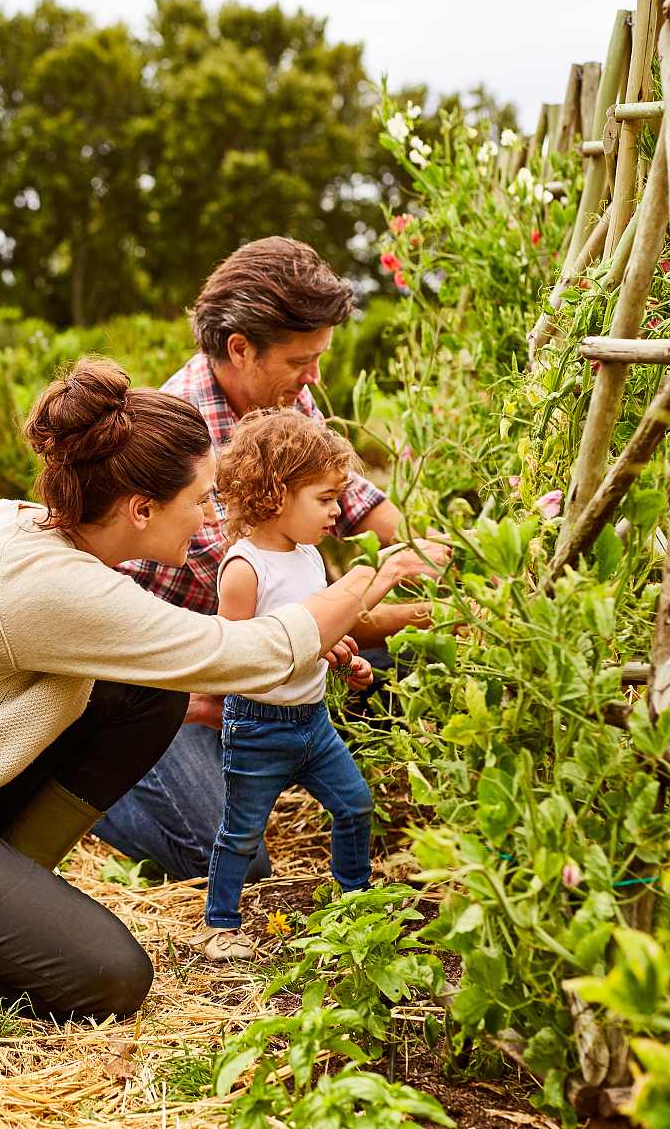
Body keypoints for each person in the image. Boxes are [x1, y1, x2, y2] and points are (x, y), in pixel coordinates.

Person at [0, 357, 448, 1020]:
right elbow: (249, 653)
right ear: (141, 508)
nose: (211, 520)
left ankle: (1, 876)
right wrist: (375, 577)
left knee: (147, 695)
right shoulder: (53, 585)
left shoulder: (22, 525)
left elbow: (199, 669)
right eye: (200, 500)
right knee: (111, 976)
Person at [96, 236, 429, 883]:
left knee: (406, 665)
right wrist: (415, 610)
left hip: (249, 660)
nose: (315, 379)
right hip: (164, 686)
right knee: (234, 858)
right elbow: (290, 623)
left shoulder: (278, 399)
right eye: (302, 360)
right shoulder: (183, 446)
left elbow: (355, 501)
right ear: (240, 348)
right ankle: (89, 783)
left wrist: (441, 554)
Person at [197, 411, 431, 960]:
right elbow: (238, 659)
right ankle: (219, 924)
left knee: (354, 805)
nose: (337, 512)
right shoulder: (245, 569)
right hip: (258, 727)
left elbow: (315, 630)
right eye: (325, 499)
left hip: (313, 721)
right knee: (242, 832)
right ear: (277, 494)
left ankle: (355, 900)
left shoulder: (308, 557)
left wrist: (341, 657)